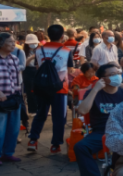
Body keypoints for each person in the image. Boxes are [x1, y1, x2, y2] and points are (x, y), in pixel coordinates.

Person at [74, 62, 123, 176]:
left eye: (118, 73)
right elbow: (82, 110)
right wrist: (95, 89)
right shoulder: (95, 93)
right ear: (102, 79)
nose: (117, 76)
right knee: (80, 147)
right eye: (112, 75)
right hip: (101, 132)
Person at [27, 24, 76, 155]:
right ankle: (55, 145)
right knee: (59, 117)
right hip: (59, 88)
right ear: (62, 36)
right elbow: (70, 70)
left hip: (41, 86)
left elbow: (38, 66)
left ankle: (33, 140)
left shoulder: (39, 49)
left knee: (40, 114)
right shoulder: (66, 50)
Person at [0, 32, 23, 166]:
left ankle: (8, 153)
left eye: (14, 42)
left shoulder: (14, 59)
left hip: (15, 97)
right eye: (10, 42)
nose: (13, 44)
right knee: (0, 129)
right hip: (2, 99)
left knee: (13, 129)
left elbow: (17, 79)